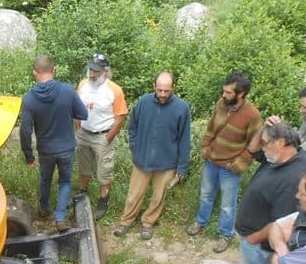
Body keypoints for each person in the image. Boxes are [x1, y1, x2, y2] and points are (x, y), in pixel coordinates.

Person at [223, 123, 306, 264]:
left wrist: (253, 239)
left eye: (266, 143)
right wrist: (263, 128)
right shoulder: (278, 158)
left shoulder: (294, 176)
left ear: (281, 143)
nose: (262, 147)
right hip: (253, 238)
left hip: (261, 244)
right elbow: (253, 150)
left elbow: (281, 225)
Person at [187, 72, 261, 253]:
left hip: (230, 167)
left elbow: (255, 142)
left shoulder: (252, 115)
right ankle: (200, 222)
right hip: (211, 160)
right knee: (205, 194)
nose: (224, 95)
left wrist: (240, 163)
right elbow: (212, 126)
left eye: (228, 93)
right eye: (224, 91)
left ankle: (225, 234)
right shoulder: (221, 104)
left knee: (228, 203)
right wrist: (205, 146)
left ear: (241, 94)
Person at [113, 72, 191, 240]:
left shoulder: (182, 108)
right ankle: (126, 221)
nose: (163, 94)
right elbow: (132, 127)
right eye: (160, 90)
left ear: (173, 89)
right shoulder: (143, 102)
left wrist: (182, 166)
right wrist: (135, 146)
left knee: (158, 197)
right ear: (154, 86)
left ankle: (148, 223)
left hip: (167, 163)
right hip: (142, 160)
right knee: (134, 194)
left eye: (167, 91)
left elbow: (184, 139)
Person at [20, 55, 88, 232]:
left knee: (45, 178)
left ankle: (43, 209)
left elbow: (25, 131)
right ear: (54, 70)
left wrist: (29, 156)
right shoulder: (67, 90)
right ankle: (60, 218)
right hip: (66, 148)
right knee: (65, 181)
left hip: (46, 150)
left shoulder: (29, 98)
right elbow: (83, 114)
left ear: (35, 72)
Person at [76, 52, 128, 220]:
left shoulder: (114, 90)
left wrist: (107, 138)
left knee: (104, 172)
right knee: (84, 167)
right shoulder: (83, 84)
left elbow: (120, 117)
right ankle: (82, 194)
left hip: (102, 136)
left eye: (96, 71)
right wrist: (78, 129)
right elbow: (76, 108)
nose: (92, 74)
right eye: (90, 69)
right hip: (84, 134)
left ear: (105, 71)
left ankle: (103, 200)